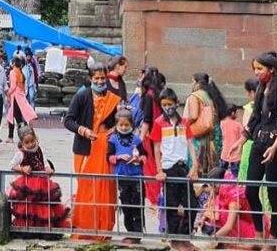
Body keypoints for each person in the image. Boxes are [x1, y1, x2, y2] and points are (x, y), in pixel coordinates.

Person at [244, 51, 277, 250]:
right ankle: (259, 234)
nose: (256, 73)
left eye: (260, 69)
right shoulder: (260, 88)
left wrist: (275, 146)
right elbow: (255, 117)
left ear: (271, 69)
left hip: (275, 145)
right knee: (250, 190)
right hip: (258, 142)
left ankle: (273, 239)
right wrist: (241, 141)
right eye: (255, 69)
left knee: (274, 192)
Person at [64, 61, 120, 240]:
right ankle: (86, 228)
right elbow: (68, 120)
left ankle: (103, 230)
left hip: (104, 150)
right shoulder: (82, 96)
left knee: (105, 189)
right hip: (84, 150)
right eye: (97, 78)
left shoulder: (114, 98)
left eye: (103, 78)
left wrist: (115, 128)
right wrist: (84, 130)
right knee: (86, 190)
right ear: (90, 79)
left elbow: (122, 122)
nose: (100, 81)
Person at [7, 125, 71, 237]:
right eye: (27, 142)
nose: (31, 144)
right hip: (28, 183)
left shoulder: (39, 150)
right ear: (22, 143)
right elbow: (11, 165)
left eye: (32, 141)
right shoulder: (21, 154)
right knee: (29, 206)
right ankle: (29, 227)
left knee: (44, 205)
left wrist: (48, 169)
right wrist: (22, 168)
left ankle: (44, 228)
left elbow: (45, 161)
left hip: (42, 182)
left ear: (36, 138)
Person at [152, 87, 195, 250]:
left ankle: (185, 236)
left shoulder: (184, 123)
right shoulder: (158, 123)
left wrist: (194, 167)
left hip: (183, 167)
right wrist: (159, 170)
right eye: (164, 104)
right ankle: (175, 239)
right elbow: (156, 147)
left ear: (176, 103)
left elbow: (191, 145)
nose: (167, 107)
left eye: (170, 104)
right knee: (172, 205)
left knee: (192, 203)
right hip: (168, 167)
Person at [108, 108, 146, 243]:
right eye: (121, 125)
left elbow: (145, 156)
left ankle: (137, 232)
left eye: (126, 125)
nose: (124, 127)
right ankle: (130, 231)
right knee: (126, 205)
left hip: (136, 177)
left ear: (132, 125)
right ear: (117, 125)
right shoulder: (113, 140)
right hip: (122, 177)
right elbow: (109, 157)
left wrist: (138, 159)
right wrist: (119, 157)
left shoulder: (136, 140)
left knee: (137, 204)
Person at [197, 166, 259, 249]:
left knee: (221, 214)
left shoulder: (233, 199)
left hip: (251, 231)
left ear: (216, 186)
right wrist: (203, 217)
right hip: (244, 223)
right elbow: (213, 202)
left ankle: (228, 242)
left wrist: (211, 241)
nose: (210, 190)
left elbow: (229, 226)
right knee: (215, 212)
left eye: (211, 186)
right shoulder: (227, 190)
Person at [186, 72, 229, 178]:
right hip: (213, 138)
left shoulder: (195, 96)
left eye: (192, 82)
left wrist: (185, 124)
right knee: (211, 172)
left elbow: (193, 115)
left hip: (200, 137)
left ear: (197, 82)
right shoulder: (212, 96)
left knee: (197, 170)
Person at [139, 65, 166, 206]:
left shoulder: (148, 96)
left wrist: (139, 140)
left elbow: (146, 120)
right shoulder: (161, 94)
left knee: (151, 168)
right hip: (163, 134)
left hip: (152, 136)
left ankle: (155, 199)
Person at [6, 56, 38, 142]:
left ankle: (23, 136)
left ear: (13, 63)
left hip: (15, 96)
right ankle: (12, 136)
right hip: (20, 96)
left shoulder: (13, 72)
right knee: (13, 117)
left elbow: (12, 87)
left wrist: (8, 94)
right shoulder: (21, 72)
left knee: (17, 118)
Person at [236, 78, 259, 182]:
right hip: (264, 143)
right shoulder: (268, 105)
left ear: (252, 92)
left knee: (247, 172)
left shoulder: (249, 107)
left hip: (250, 143)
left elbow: (246, 127)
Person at [220, 106, 245, 177]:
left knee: (221, 176)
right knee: (235, 177)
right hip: (236, 155)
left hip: (224, 154)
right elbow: (243, 138)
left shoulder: (222, 124)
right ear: (232, 113)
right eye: (236, 113)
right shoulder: (238, 125)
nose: (237, 115)